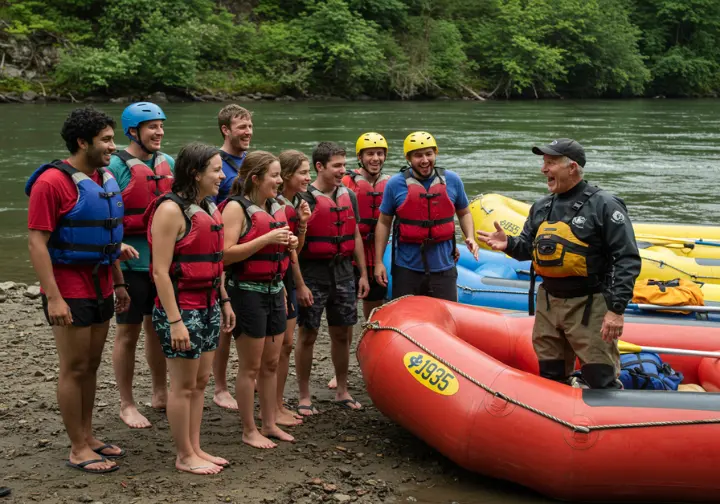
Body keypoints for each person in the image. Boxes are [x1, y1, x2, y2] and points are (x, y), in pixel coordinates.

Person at [477, 138, 641, 389]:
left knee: (600, 377)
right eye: (544, 162)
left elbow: (627, 258)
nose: (544, 169)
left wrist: (616, 310)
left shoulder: (604, 205)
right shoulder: (542, 207)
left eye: (550, 163)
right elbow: (527, 249)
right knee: (551, 374)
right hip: (548, 304)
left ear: (572, 167)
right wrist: (508, 243)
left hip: (589, 304)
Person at [26, 107, 131, 473]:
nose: (112, 147)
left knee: (91, 364)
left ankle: (88, 436)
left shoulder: (102, 178)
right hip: (69, 286)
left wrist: (118, 281)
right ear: (82, 142)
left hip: (102, 281)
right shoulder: (51, 183)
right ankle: (76, 448)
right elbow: (37, 243)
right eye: (105, 140)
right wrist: (54, 296)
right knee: (73, 367)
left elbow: (108, 236)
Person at [148, 142, 234, 474]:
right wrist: (174, 321)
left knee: (200, 383)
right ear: (195, 173)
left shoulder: (209, 206)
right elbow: (159, 271)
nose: (222, 175)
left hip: (210, 305)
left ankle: (196, 447)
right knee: (183, 386)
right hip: (182, 311)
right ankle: (184, 455)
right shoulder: (171, 210)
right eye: (215, 169)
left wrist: (224, 300)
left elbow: (216, 263)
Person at [220, 151, 299, 448]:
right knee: (250, 367)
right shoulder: (235, 209)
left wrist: (291, 241)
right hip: (247, 292)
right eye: (275, 176)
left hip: (275, 290)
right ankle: (248, 429)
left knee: (271, 363)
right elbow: (225, 254)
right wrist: (266, 240)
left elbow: (283, 247)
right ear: (256, 179)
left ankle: (269, 423)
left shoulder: (275, 206)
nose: (280, 181)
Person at [108, 102, 175, 429]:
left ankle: (160, 393)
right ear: (133, 131)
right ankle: (127, 403)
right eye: (152, 127)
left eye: (161, 126)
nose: (159, 132)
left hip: (162, 266)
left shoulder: (168, 163)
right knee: (128, 332)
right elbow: (106, 215)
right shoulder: (116, 167)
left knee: (157, 329)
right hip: (131, 268)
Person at [294, 142, 369, 416]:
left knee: (342, 333)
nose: (342, 170)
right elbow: (295, 246)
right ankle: (303, 395)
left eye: (343, 164)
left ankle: (342, 390)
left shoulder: (349, 194)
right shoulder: (304, 199)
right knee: (308, 333)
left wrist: (363, 273)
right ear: (320, 167)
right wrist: (299, 283)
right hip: (314, 273)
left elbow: (356, 235)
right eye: (336, 165)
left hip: (344, 274)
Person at [374, 131, 479, 301]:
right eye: (418, 155)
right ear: (408, 158)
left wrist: (470, 237)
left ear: (435, 154)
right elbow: (384, 222)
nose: (424, 160)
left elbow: (464, 212)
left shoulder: (453, 180)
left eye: (429, 154)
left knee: (445, 318)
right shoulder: (395, 184)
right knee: (407, 319)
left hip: (443, 266)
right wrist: (378, 262)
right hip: (407, 268)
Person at [326, 133, 389, 390]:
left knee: (373, 315)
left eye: (380, 153)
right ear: (360, 157)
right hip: (351, 257)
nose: (375, 158)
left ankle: (368, 364)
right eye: (370, 154)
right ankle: (340, 371)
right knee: (345, 318)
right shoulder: (347, 183)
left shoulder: (392, 183)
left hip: (378, 256)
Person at [213, 104, 253, 410]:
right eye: (242, 127)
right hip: (222, 249)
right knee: (224, 324)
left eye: (250, 126)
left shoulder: (252, 162)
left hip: (251, 250)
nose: (248, 131)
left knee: (244, 319)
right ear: (226, 130)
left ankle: (246, 379)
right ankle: (220, 386)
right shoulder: (215, 164)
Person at [275, 150, 312, 424]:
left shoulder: (297, 202)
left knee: (286, 345)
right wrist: (299, 284)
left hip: (285, 275)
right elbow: (290, 253)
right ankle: (272, 406)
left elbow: (296, 246)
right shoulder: (275, 204)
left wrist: (302, 224)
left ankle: (277, 403)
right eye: (303, 172)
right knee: (277, 347)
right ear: (286, 176)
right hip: (278, 278)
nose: (308, 178)